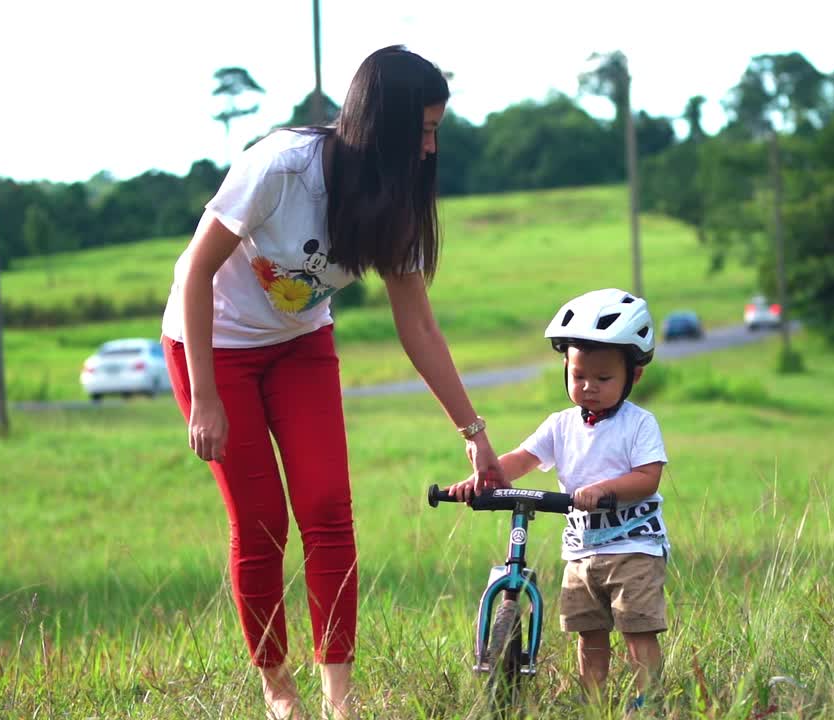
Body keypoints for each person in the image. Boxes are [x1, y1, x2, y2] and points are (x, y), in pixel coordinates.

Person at [160, 45, 504, 720]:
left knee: (326, 510)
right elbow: (195, 272)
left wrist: (474, 433)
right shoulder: (281, 167)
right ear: (388, 126)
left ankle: (338, 700)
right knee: (260, 524)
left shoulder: (393, 201)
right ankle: (277, 686)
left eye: (437, 131)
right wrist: (204, 398)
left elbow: (421, 329)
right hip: (213, 346)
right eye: (425, 131)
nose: (432, 148)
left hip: (300, 347)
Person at [449, 288, 670, 713]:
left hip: (633, 549)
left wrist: (605, 490)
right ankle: (595, 703)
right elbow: (520, 460)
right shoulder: (560, 425)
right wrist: (480, 479)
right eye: (578, 375)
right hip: (581, 553)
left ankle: (650, 702)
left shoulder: (639, 425)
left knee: (637, 630)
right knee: (588, 633)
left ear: (633, 377)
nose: (588, 387)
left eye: (603, 379)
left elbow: (648, 478)